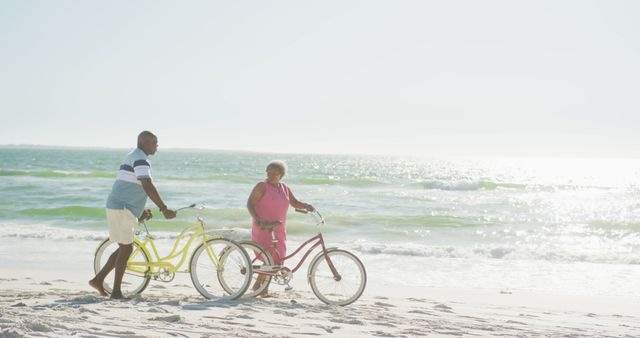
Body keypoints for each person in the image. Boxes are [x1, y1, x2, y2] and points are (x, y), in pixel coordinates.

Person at [89, 131, 176, 299]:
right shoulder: (140, 158)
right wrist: (163, 208)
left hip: (122, 207)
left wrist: (139, 210)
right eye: (154, 143)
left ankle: (98, 280)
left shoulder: (135, 156)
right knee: (126, 248)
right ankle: (115, 292)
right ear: (144, 142)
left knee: (124, 247)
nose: (156, 146)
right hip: (120, 208)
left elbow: (131, 185)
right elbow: (147, 185)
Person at [246, 160, 314, 297]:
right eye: (268, 172)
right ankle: (263, 290)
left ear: (281, 175)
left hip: (279, 228)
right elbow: (250, 204)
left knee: (277, 258)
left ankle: (257, 286)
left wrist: (306, 205)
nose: (270, 176)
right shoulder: (262, 186)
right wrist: (258, 219)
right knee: (269, 258)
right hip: (264, 227)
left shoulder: (284, 188)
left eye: (275, 174)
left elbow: (294, 203)